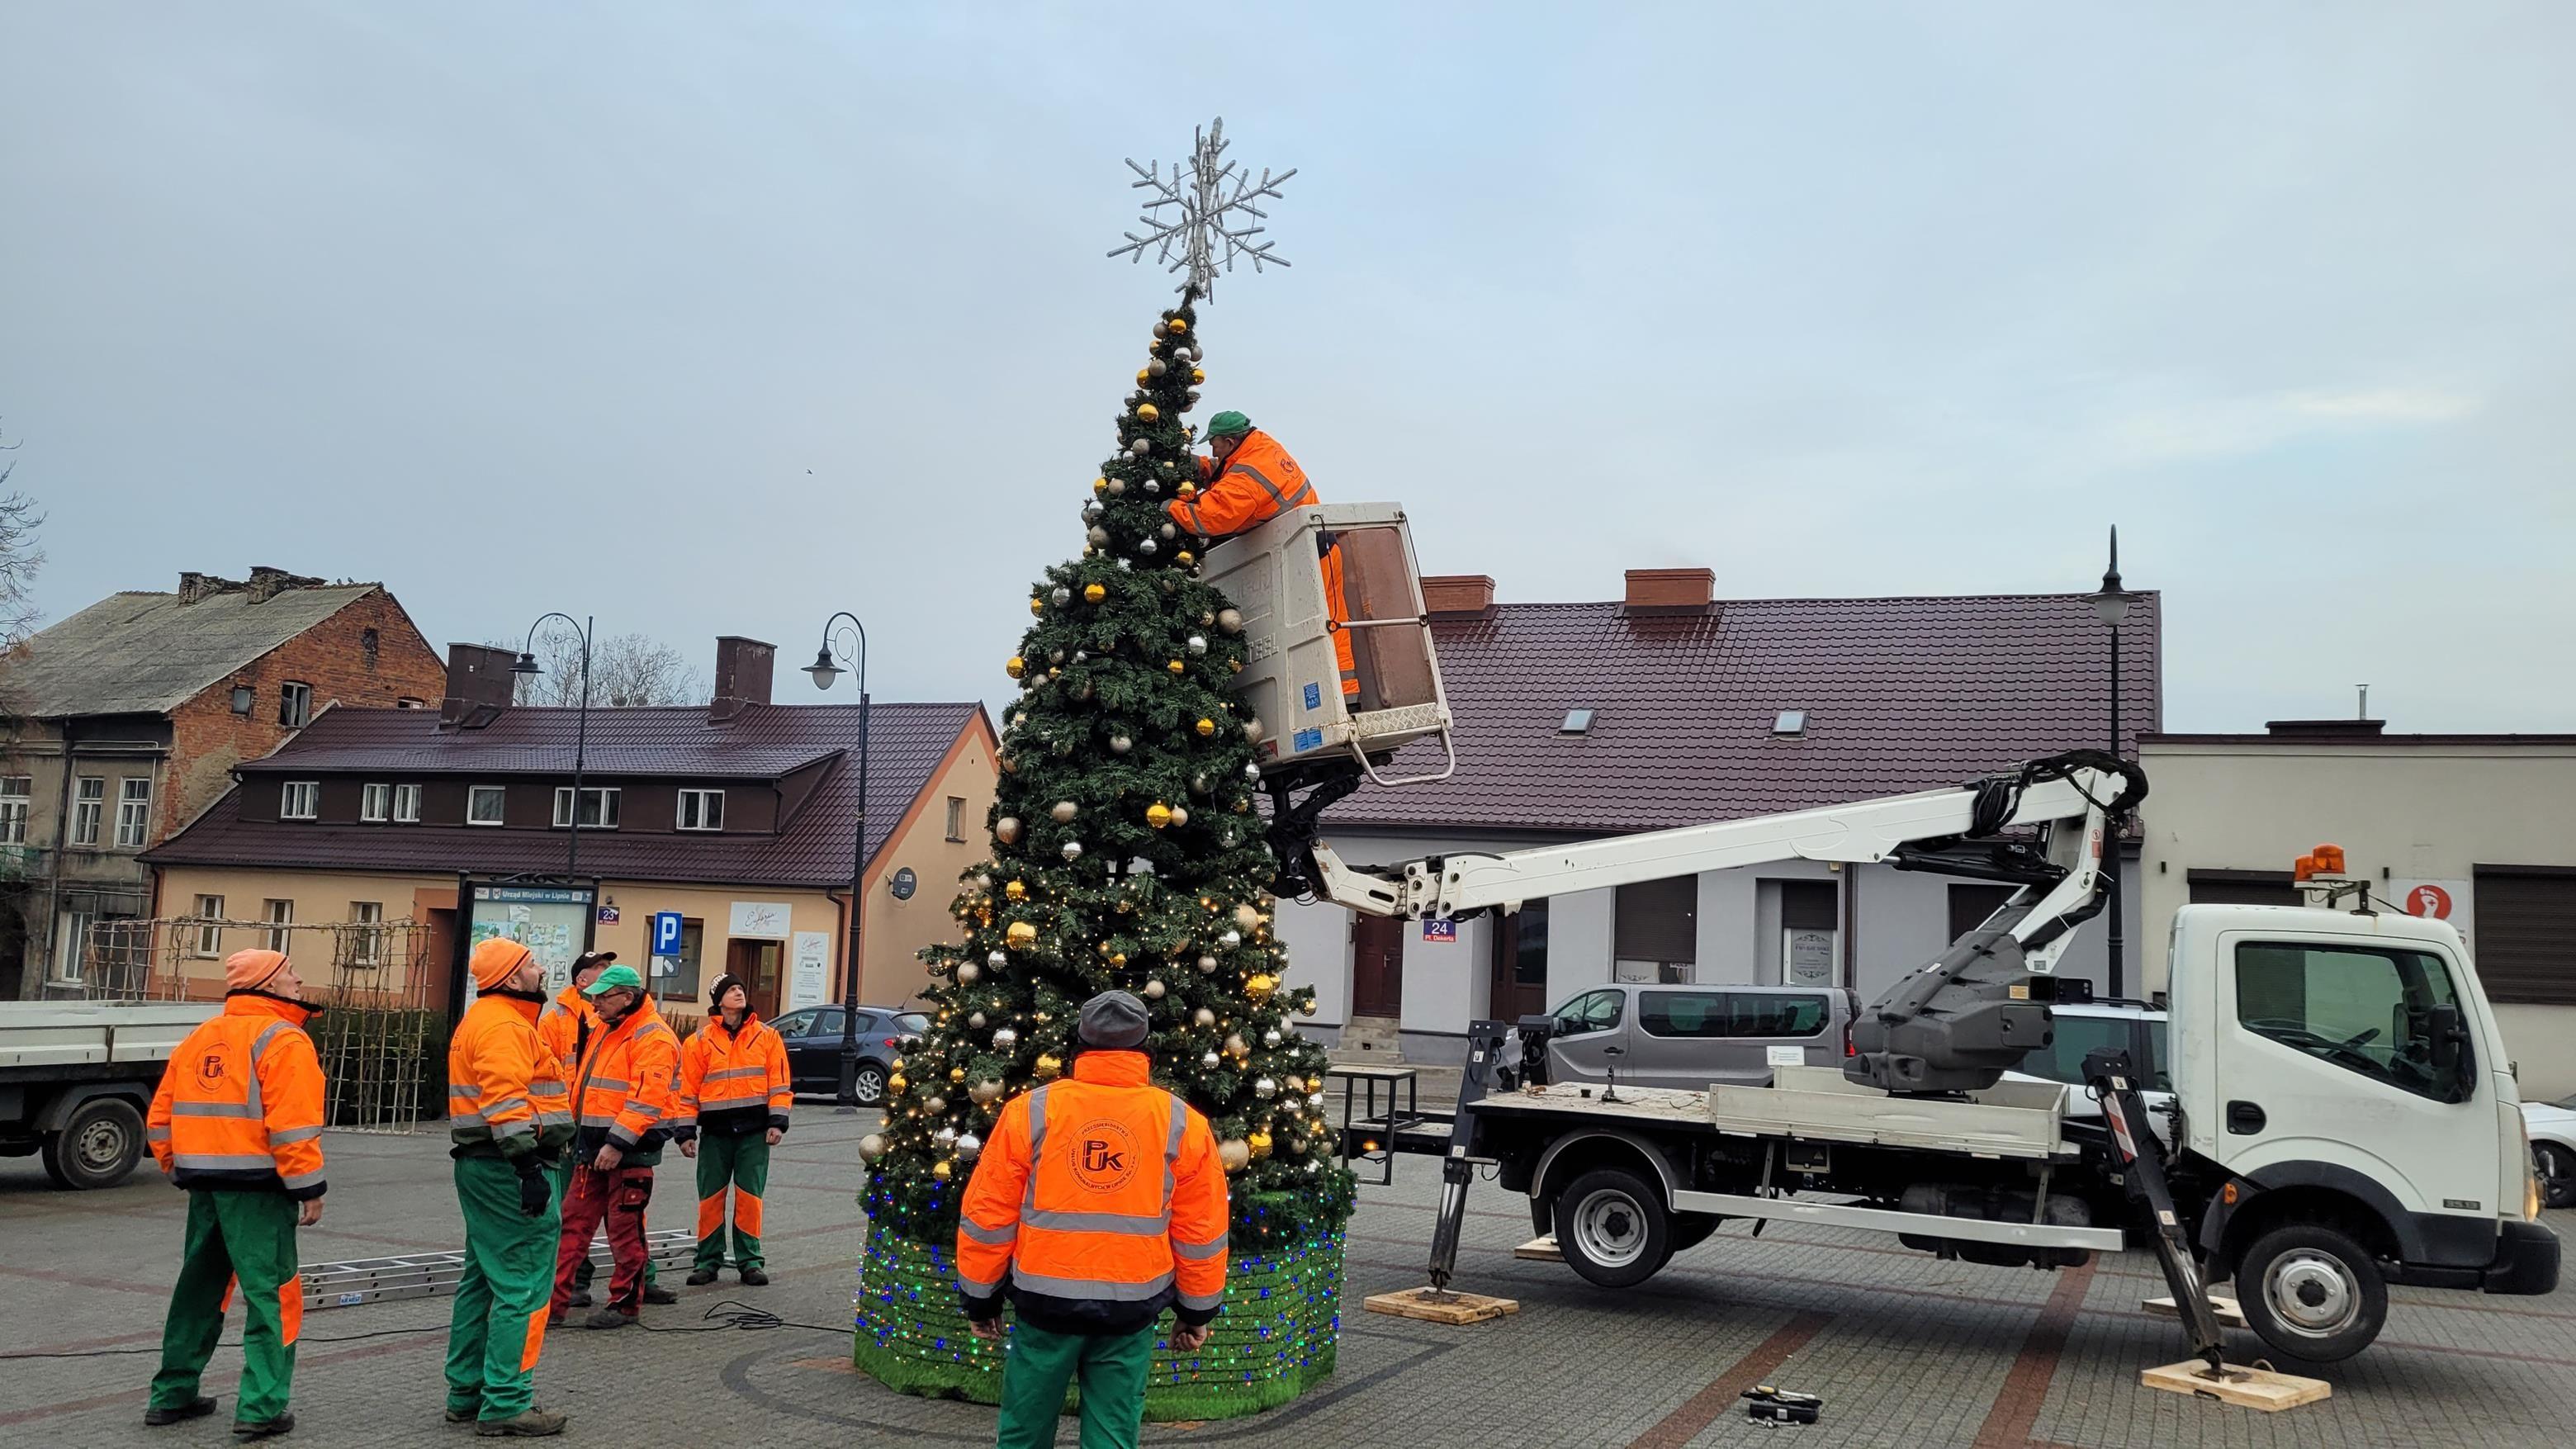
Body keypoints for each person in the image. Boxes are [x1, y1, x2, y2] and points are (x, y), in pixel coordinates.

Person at [957, 991, 1229, 1449]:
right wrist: (1196, 1311)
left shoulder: (1030, 1112)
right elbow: (1200, 1229)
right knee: (1112, 1436)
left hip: (1044, 1302)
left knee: (1024, 1431)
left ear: (1079, 1047)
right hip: (1130, 1310)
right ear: (1146, 1051)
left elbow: (989, 1214)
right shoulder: (1181, 1122)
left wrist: (980, 1300)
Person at [141, 949, 328, 1440]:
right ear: (267, 984)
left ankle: (172, 1396)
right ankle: (262, 1407)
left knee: (197, 1290)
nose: (298, 980)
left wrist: (180, 1170)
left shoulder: (199, 1038)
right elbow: (293, 1127)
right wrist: (308, 1186)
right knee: (272, 1297)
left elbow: (159, 1120)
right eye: (290, 974)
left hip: (205, 1188)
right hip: (261, 1193)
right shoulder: (284, 1040)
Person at [443, 939, 574, 1437]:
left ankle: (467, 1392)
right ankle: (506, 1402)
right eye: (533, 964)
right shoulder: (504, 1025)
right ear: (514, 978)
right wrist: (528, 1168)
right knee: (522, 1286)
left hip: (486, 1166)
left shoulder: (490, 1020)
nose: (541, 969)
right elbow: (505, 1100)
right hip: (510, 1168)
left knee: (481, 1281)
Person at [1164, 410, 1357, 702]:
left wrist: (1170, 507)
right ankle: (1345, 695)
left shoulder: (1249, 476)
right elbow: (1228, 471)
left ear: (1229, 441)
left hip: (1308, 556)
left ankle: (1344, 698)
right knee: (1331, 623)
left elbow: (1210, 516)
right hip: (1316, 547)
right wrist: (1201, 467)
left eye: (1214, 443)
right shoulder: (1261, 445)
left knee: (1325, 629)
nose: (1212, 449)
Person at [551, 964, 680, 1329]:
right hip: (593, 1149)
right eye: (593, 998)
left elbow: (646, 1100)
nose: (595, 1005)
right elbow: (587, 1088)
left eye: (603, 998)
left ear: (627, 996)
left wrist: (616, 1144)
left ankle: (624, 1305)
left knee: (624, 1232)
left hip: (628, 1152)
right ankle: (553, 1304)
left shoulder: (652, 1037)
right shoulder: (606, 1029)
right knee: (572, 1226)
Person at [671, 973, 792, 1286]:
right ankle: (707, 1261)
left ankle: (749, 1261)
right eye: (730, 990)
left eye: (740, 988)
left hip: (754, 1132)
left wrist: (777, 1122)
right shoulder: (698, 1042)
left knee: (749, 1196)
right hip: (715, 1133)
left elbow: (780, 1085)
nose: (739, 993)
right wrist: (685, 1134)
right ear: (718, 1001)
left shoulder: (767, 1037)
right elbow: (687, 1093)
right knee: (711, 1197)